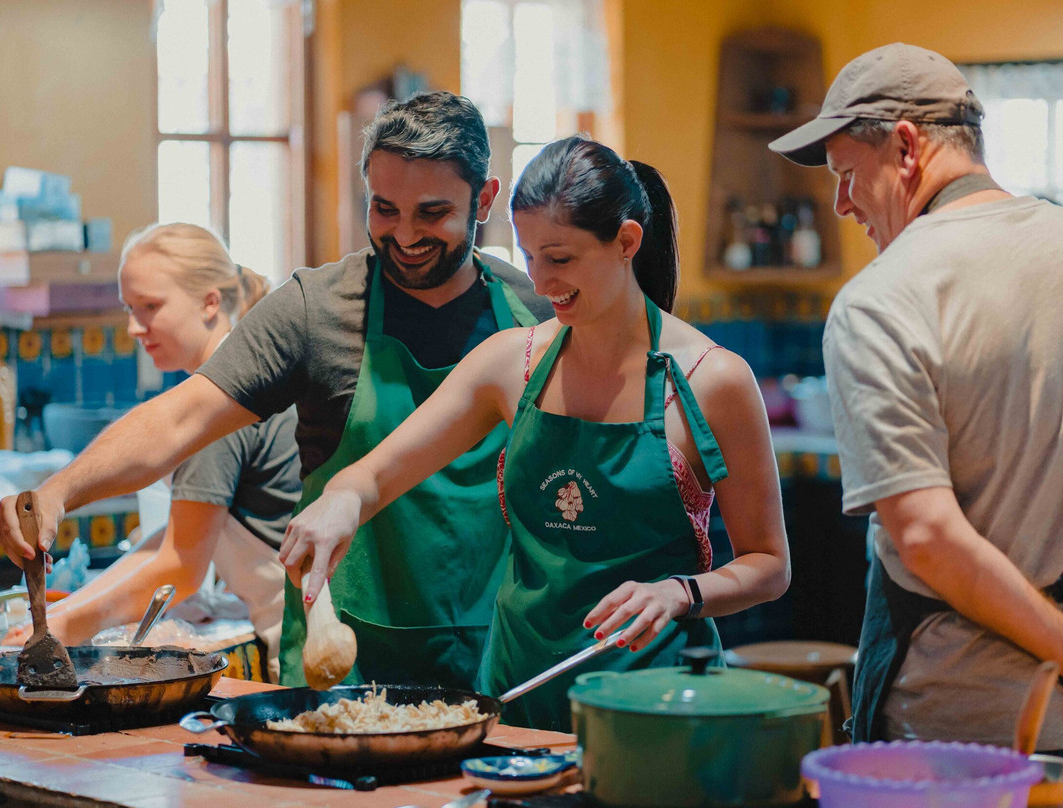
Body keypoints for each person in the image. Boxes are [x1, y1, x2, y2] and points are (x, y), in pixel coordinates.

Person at [0, 91, 551, 690]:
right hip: (343, 661)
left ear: (485, 199)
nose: (405, 234)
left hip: (502, 656)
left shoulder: (534, 315)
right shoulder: (316, 311)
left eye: (432, 212)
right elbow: (179, 420)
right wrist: (59, 492)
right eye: (384, 208)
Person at [280, 135, 790, 731]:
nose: (542, 283)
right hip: (520, 694)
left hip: (655, 705)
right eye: (528, 257)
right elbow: (377, 472)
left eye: (561, 258)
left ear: (626, 242)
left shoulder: (713, 380)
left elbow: (769, 565)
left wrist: (681, 592)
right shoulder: (510, 365)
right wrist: (340, 501)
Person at [769, 42, 1063, 747]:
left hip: (963, 730)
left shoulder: (880, 300)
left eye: (846, 174)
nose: (841, 205)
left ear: (905, 147)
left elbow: (928, 537)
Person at [3, 223, 300, 681]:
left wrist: (66, 627)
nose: (133, 327)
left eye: (150, 307)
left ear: (210, 302)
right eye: (129, 308)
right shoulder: (231, 379)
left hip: (303, 641)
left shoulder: (223, 405)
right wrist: (62, 611)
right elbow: (175, 537)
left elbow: (182, 566)